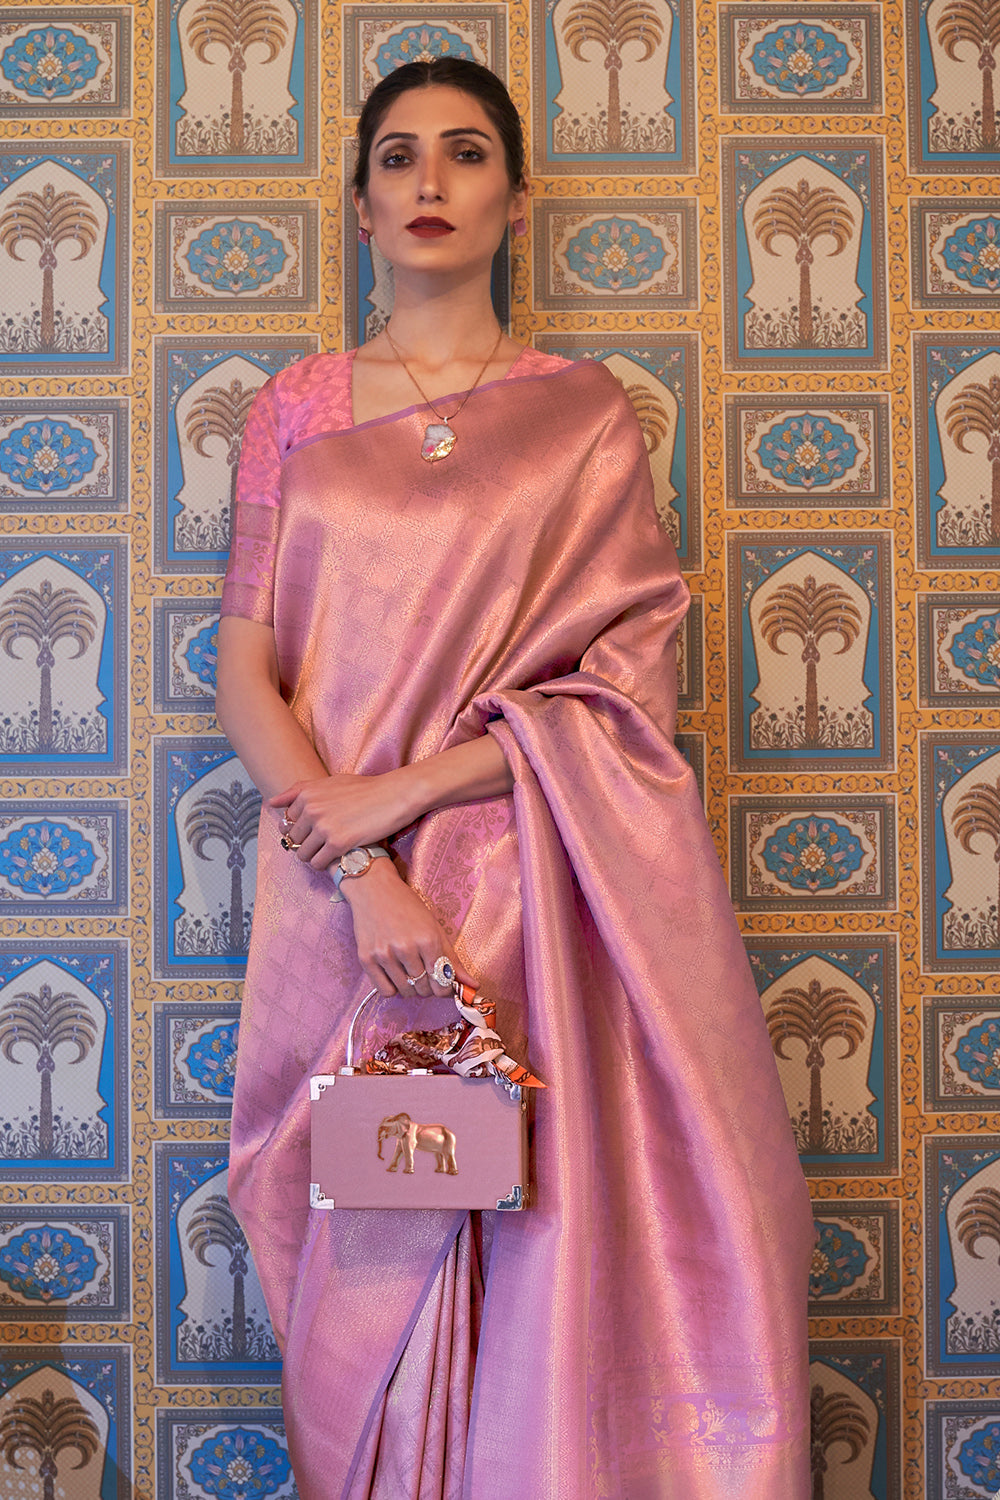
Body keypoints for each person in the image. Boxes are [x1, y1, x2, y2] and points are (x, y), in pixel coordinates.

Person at [216, 57, 814, 1500]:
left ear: (517, 201)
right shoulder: (294, 410)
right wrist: (365, 868)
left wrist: (401, 794)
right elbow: (245, 670)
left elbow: (625, 693)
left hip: (549, 886)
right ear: (359, 204)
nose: (429, 179)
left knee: (561, 1228)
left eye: (466, 152)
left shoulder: (583, 414)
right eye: (398, 156)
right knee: (379, 1239)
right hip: (347, 904)